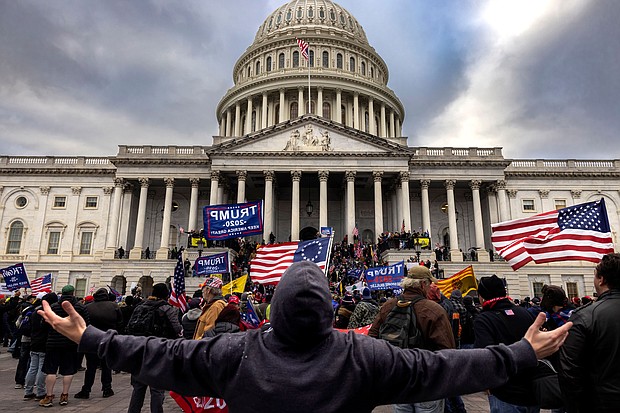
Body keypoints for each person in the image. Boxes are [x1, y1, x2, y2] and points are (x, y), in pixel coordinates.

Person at [38, 261, 571, 413]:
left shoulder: (232, 354)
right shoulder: (365, 357)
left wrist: (91, 339)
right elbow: (448, 369)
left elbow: (158, 355)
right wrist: (521, 352)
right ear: (332, 312)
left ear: (273, 308)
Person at [370, 265, 455, 413]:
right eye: (430, 284)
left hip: (399, 379)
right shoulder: (433, 310)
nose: (430, 288)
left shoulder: (388, 306)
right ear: (423, 284)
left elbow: (372, 338)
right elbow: (448, 349)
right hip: (426, 381)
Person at [559, 253, 620, 412]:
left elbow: (570, 371)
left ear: (601, 279)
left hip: (603, 403)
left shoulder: (585, 316)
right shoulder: (586, 316)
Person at [474, 275, 539, 413]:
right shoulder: (525, 313)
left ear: (483, 295)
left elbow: (485, 356)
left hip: (505, 392)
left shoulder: (484, 319)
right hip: (531, 389)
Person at [125, 282, 182, 413]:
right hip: (158, 350)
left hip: (139, 350)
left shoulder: (140, 306)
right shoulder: (166, 308)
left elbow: (130, 327)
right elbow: (177, 328)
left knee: (138, 388)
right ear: (165, 294)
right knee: (157, 389)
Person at [39, 285, 90, 407]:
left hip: (53, 342)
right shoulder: (80, 307)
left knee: (51, 370)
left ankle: (49, 396)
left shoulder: (54, 306)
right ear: (73, 293)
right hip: (71, 342)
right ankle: (64, 395)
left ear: (62, 293)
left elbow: (44, 323)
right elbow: (86, 324)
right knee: (68, 370)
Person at [74, 287, 123, 399]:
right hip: (108, 338)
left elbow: (84, 324)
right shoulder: (114, 306)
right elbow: (120, 323)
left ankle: (86, 390)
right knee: (106, 366)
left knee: (91, 367)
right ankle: (107, 389)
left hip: (92, 339)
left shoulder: (88, 307)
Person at [23, 292, 57, 401]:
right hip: (45, 343)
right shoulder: (49, 313)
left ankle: (28, 391)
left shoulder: (35, 312)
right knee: (42, 368)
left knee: (32, 367)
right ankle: (40, 392)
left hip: (34, 342)